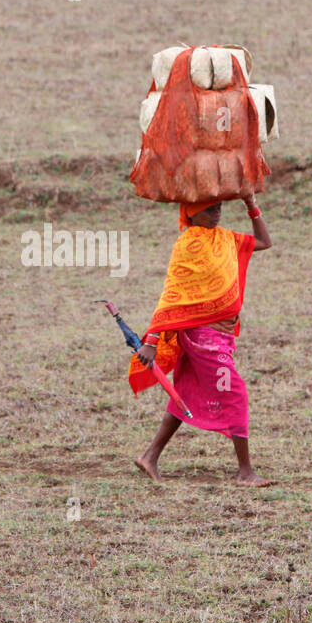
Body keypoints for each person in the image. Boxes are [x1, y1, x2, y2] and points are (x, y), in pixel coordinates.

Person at [129, 194, 272, 486]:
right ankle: (245, 472)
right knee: (234, 393)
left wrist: (250, 203)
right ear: (192, 213)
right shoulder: (189, 243)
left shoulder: (225, 238)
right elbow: (174, 292)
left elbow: (265, 242)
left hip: (220, 335)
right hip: (202, 337)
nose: (216, 213)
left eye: (219, 207)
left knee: (188, 391)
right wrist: (152, 340)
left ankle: (149, 456)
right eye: (209, 209)